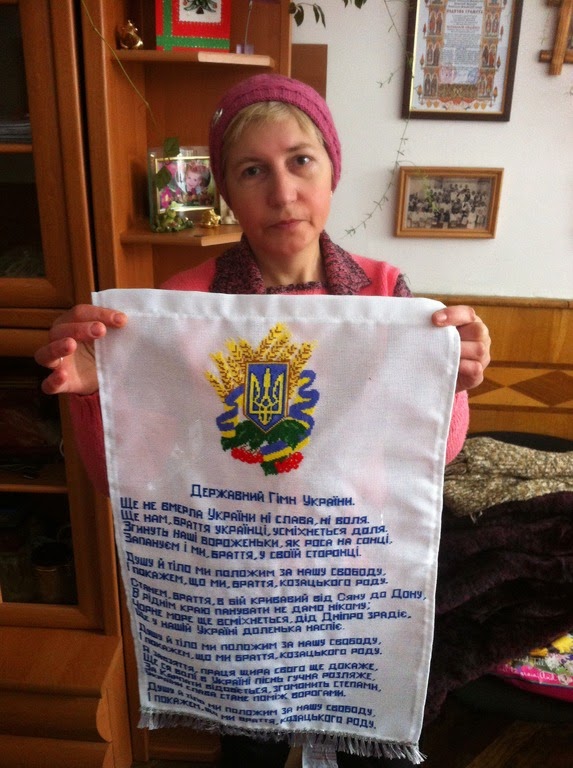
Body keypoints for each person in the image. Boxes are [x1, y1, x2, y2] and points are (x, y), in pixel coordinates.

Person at [34, 74, 491, 767]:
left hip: (352, 569)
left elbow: (433, 457)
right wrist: (97, 391)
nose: (282, 192)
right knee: (246, 752)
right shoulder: (178, 309)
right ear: (226, 189)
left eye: (300, 160)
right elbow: (126, 481)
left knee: (362, 748)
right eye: (252, 171)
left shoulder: (386, 296)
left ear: (332, 169)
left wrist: (451, 386)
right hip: (234, 582)